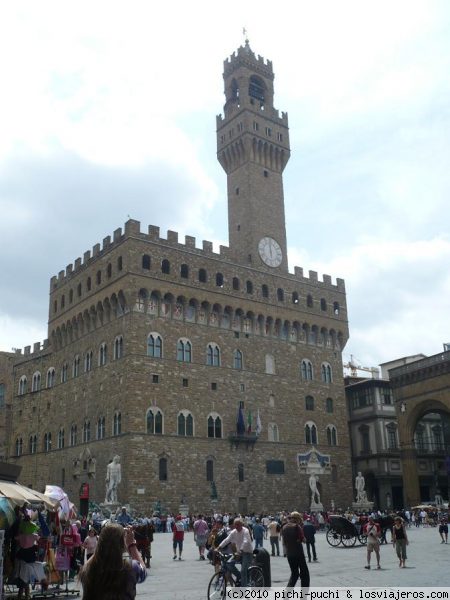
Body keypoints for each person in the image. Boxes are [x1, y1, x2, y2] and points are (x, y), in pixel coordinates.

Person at [79, 523, 146, 600]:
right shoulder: (130, 567)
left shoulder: (88, 568)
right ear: (121, 543)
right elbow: (142, 572)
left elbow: (96, 557)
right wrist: (131, 544)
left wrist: (104, 539)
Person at [217, 517, 253, 587]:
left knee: (243, 571)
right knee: (229, 564)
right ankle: (239, 576)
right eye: (235, 525)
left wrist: (240, 550)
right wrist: (219, 547)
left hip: (247, 553)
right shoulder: (233, 532)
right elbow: (227, 540)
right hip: (238, 553)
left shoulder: (245, 531)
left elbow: (245, 541)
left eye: (238, 525)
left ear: (241, 524)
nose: (236, 526)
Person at [281, 511, 310, 590]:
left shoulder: (284, 527)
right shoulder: (297, 527)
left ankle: (286, 594)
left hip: (289, 554)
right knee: (305, 574)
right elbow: (303, 540)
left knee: (294, 574)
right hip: (298, 553)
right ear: (297, 519)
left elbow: (283, 542)